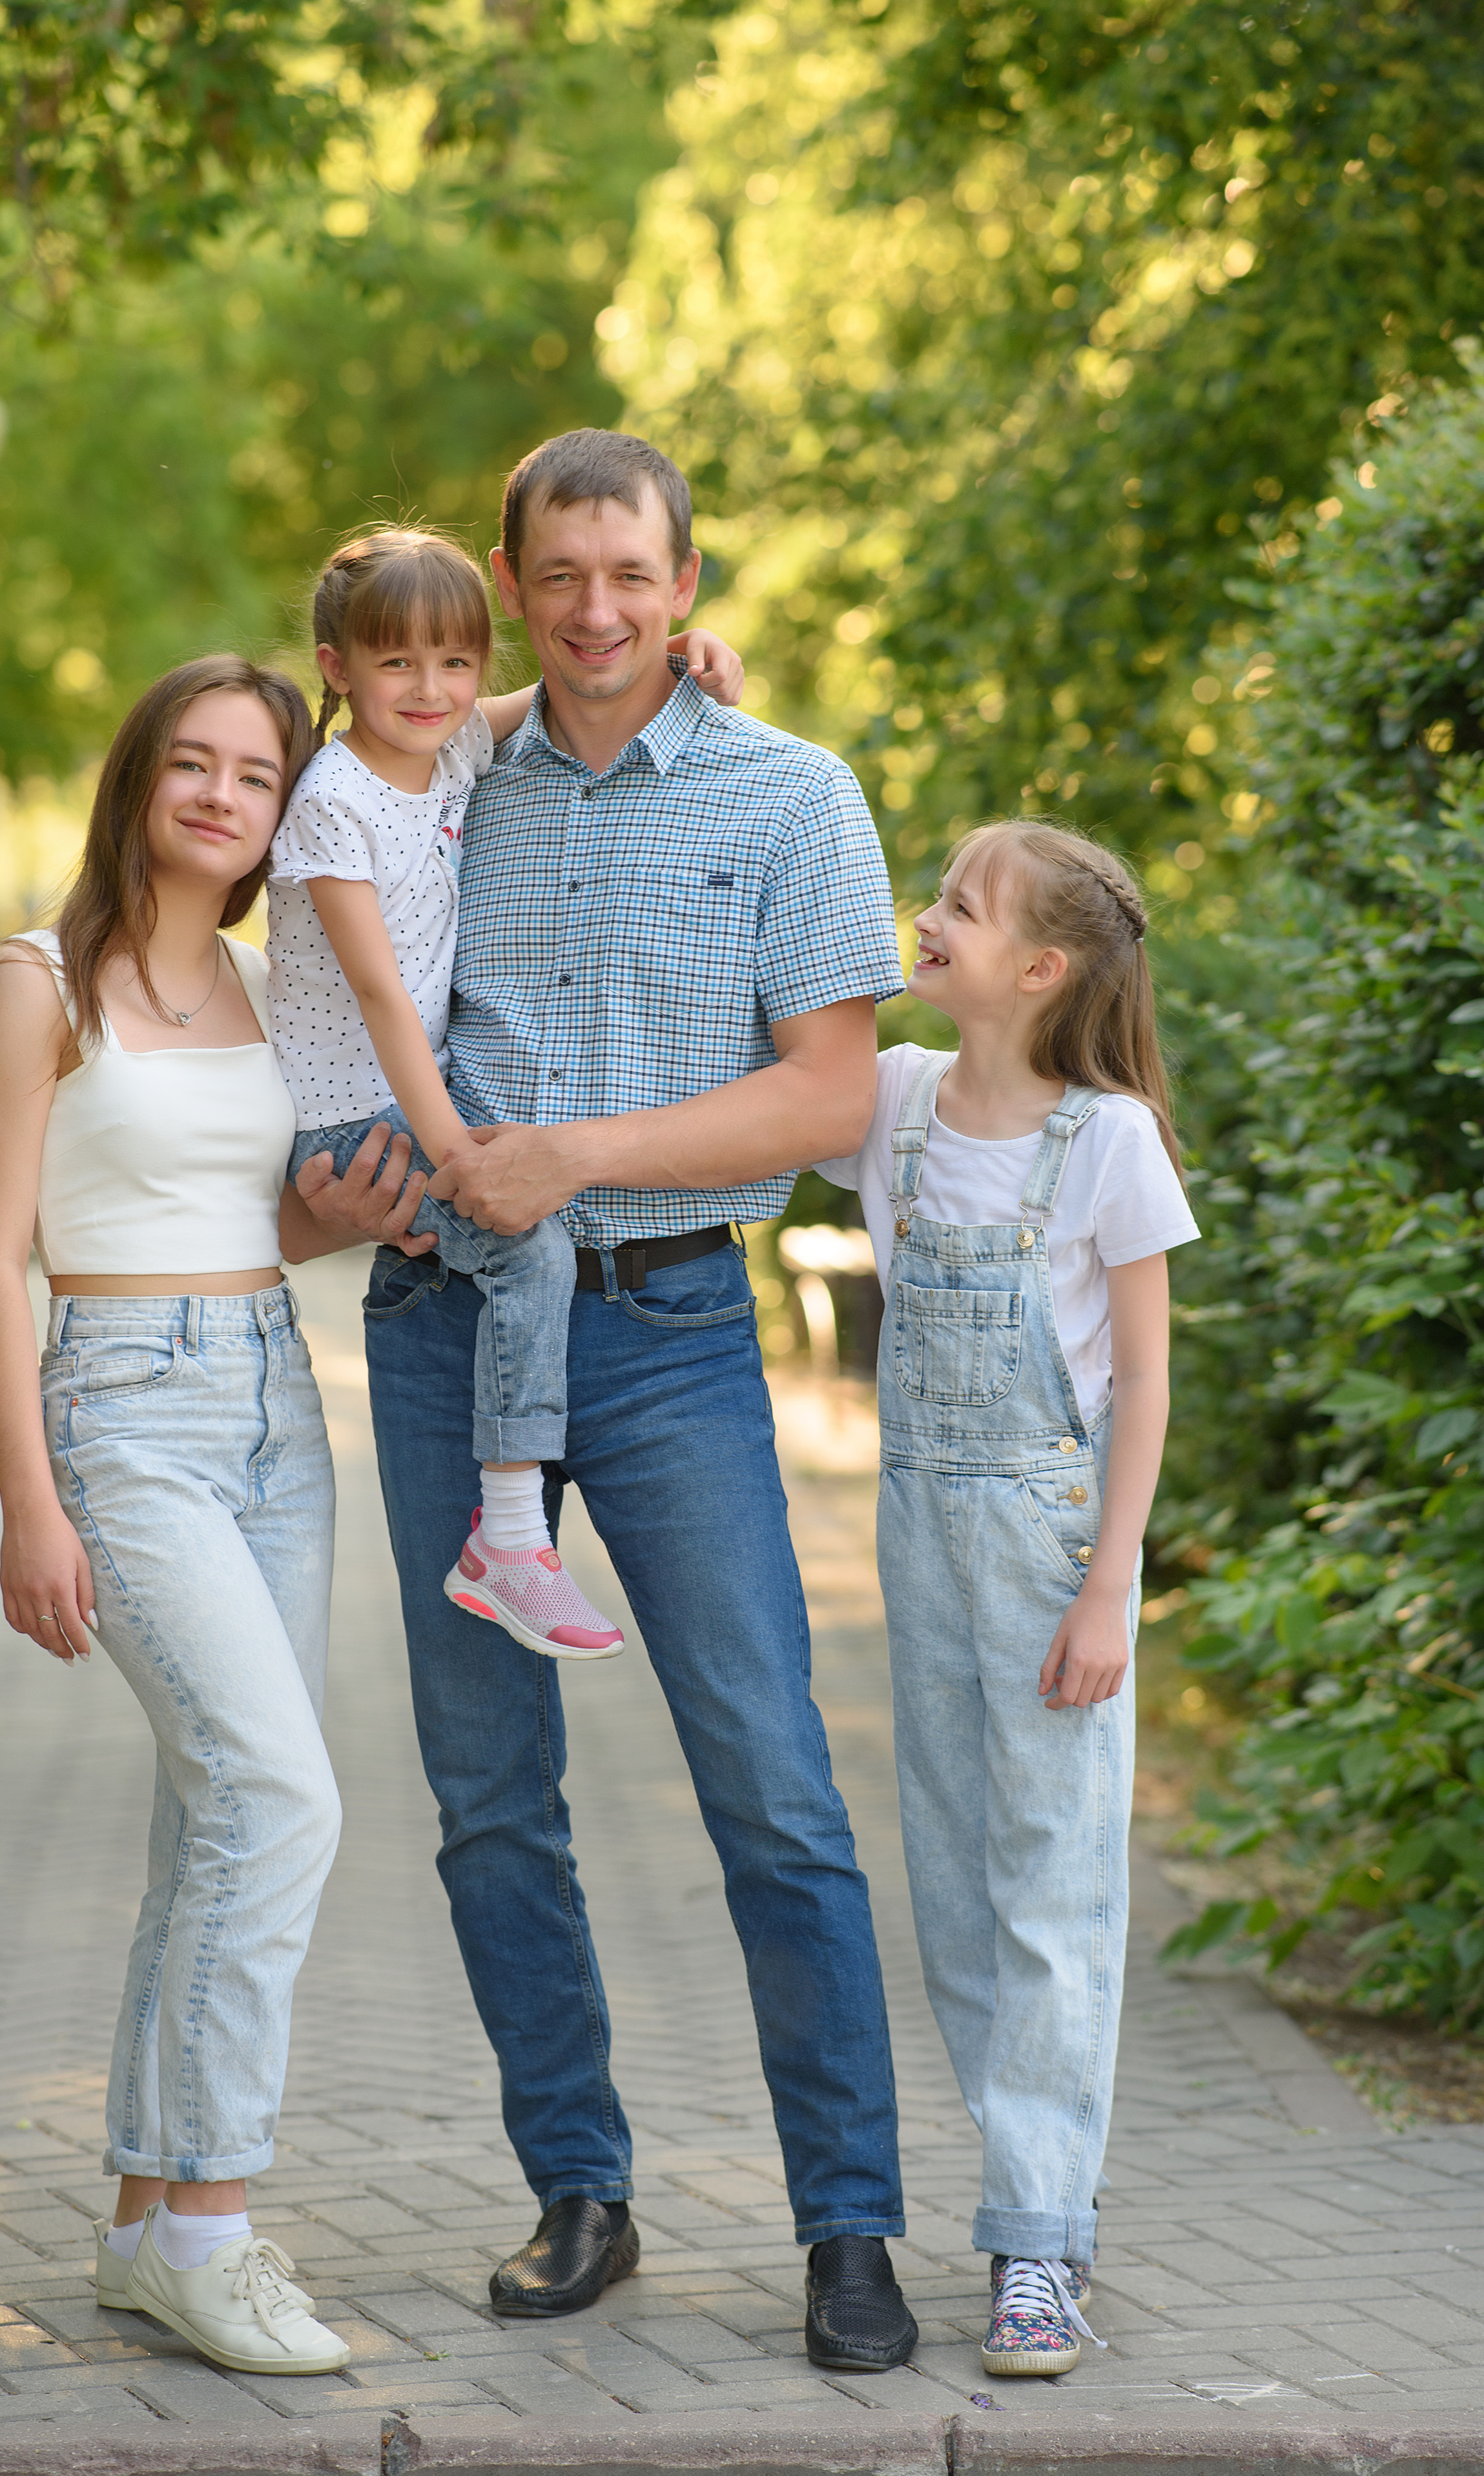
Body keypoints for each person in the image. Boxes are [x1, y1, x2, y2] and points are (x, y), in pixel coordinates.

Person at [295, 429, 920, 2373]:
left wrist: (573, 1153)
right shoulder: (442, 763)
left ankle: (848, 2225)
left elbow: (828, 1103)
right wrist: (339, 1191)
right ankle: (579, 2187)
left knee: (775, 1786)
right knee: (492, 1796)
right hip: (438, 1322)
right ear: (509, 579)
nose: (596, 614)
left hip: (667, 1335)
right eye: (557, 577)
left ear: (685, 579)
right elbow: (356, 702)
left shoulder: (793, 794)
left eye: (629, 578)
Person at [0, 654, 397, 2377]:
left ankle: (147, 2221)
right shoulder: (35, 981)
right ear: (141, 776)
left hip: (276, 1398)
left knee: (210, 1816)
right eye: (193, 763)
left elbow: (240, 1221)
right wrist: (23, 1498)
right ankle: (215, 2230)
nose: (222, 794)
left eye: (259, 775)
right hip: (117, 1410)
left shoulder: (279, 986)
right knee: (280, 1799)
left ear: (288, 811)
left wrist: (331, 1231)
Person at [817, 820, 1200, 2378]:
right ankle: (1043, 2185)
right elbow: (801, 1010)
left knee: (1053, 1896)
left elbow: (1147, 1382)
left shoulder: (1105, 1137)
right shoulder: (893, 1102)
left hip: (1051, 1551)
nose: (923, 920)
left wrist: (1111, 1588)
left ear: (1036, 973)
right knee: (963, 1900)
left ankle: (1031, 2247)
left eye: (957, 912)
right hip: (919, 1538)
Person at [269, 525, 741, 1659]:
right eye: (396, 664)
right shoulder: (331, 801)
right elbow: (382, 999)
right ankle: (513, 1537)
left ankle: (514, 1531)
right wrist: (460, 1159)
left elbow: (541, 699)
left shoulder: (449, 752)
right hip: (356, 1109)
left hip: (413, 1097)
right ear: (336, 667)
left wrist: (680, 656)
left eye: (454, 663)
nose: (430, 690)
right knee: (528, 1246)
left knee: (528, 1235)